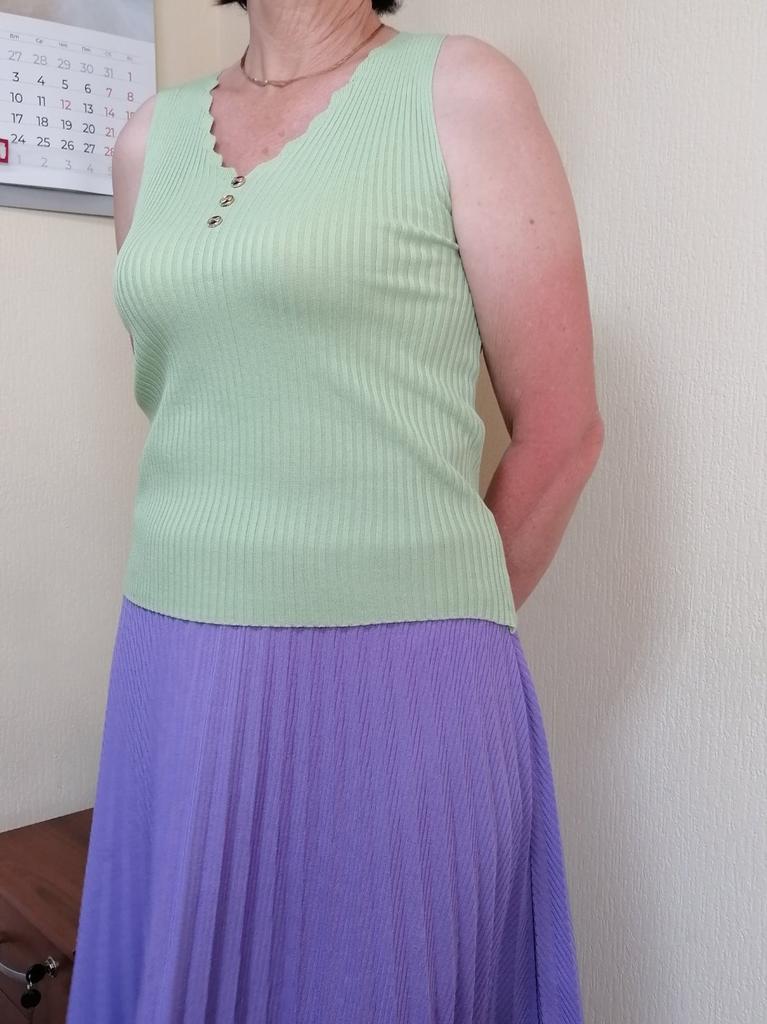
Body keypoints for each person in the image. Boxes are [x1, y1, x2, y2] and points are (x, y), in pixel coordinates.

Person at [66, 1, 603, 1020]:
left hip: (404, 685)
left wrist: (428, 631)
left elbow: (561, 433)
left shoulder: (463, 92)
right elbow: (202, 402)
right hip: (173, 667)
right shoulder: (146, 140)